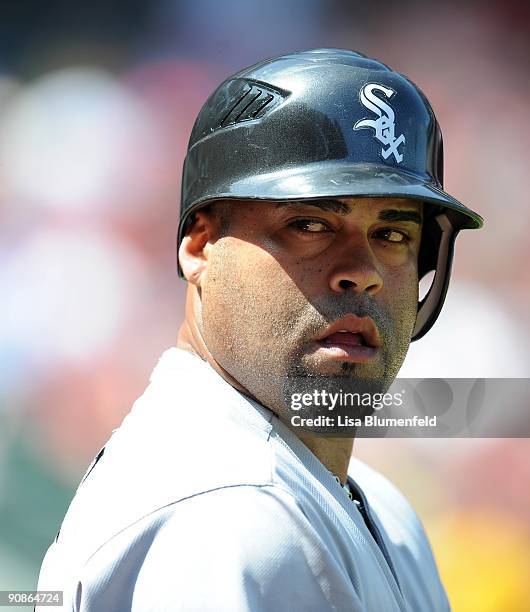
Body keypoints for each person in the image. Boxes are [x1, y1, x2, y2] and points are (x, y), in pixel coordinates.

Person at [36, 49, 483, 611]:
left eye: (392, 234)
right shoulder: (229, 515)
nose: (363, 272)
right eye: (310, 224)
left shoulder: (374, 506)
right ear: (200, 245)